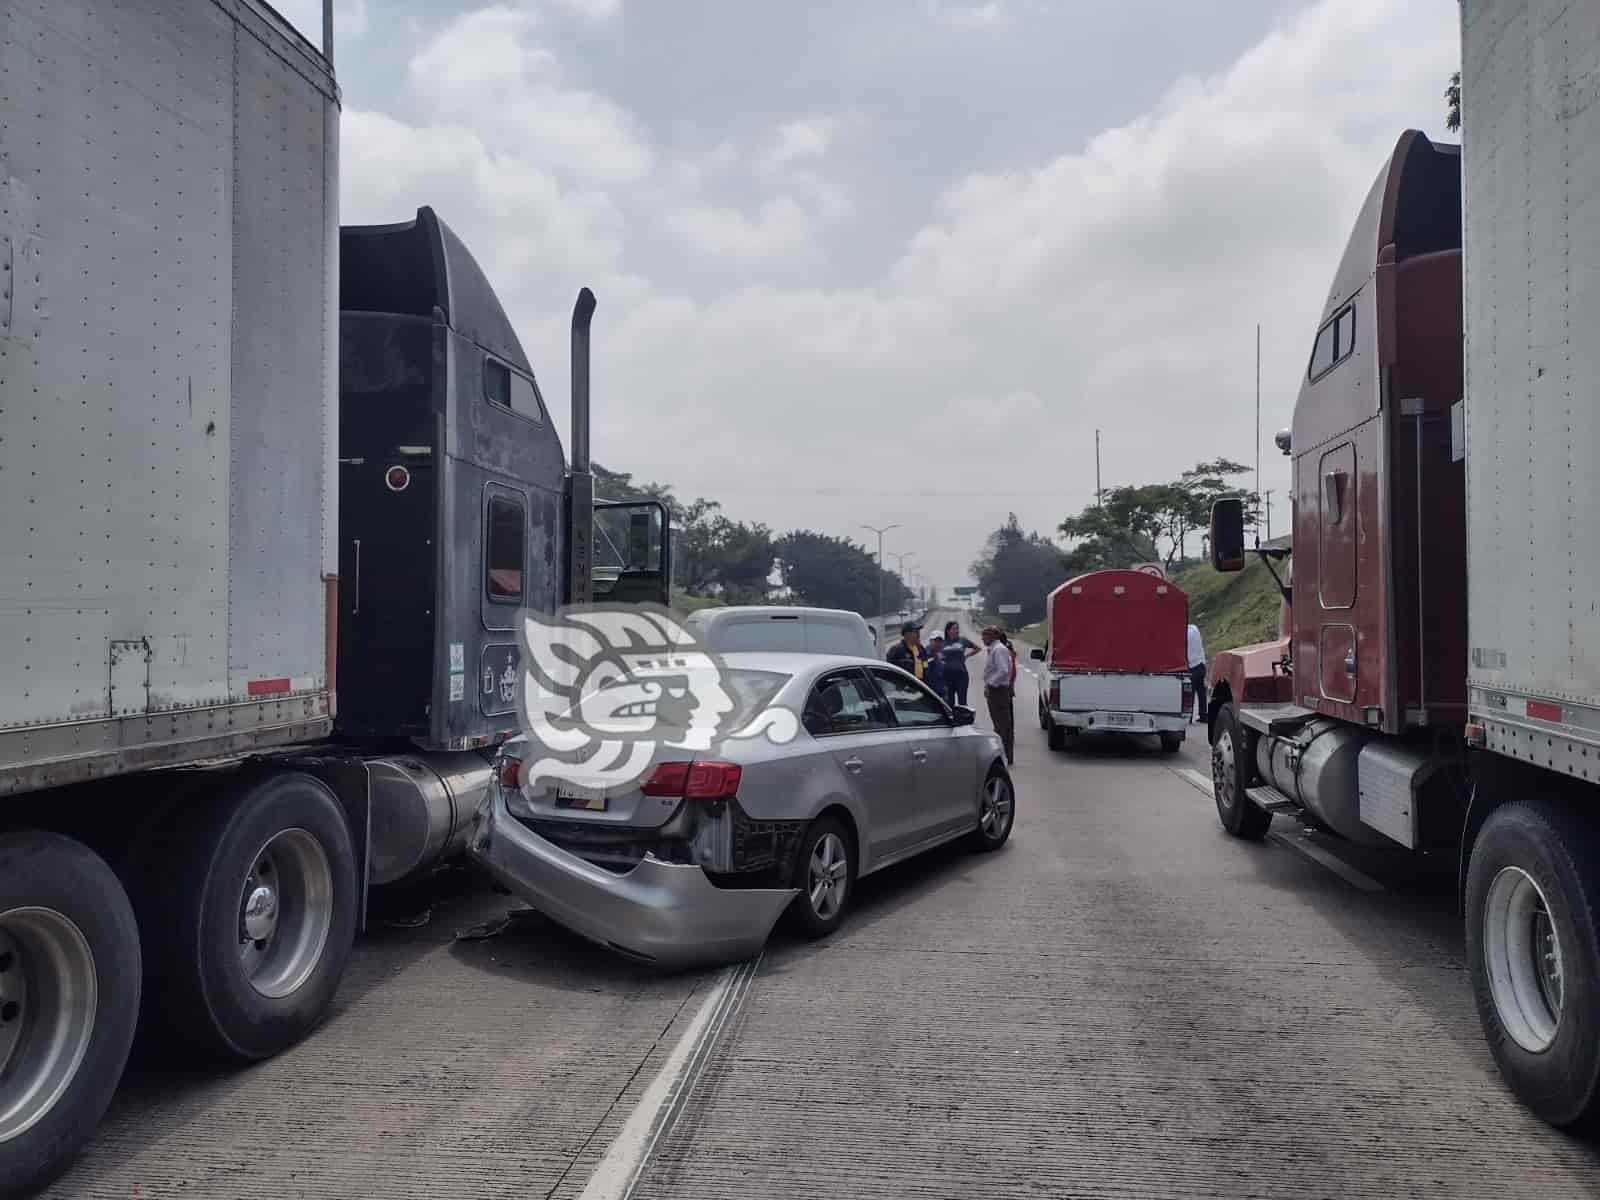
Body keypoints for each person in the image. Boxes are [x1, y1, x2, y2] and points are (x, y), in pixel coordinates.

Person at [980, 625, 1015, 765]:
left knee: (1002, 725)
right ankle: (1004, 755)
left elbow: (1003, 671)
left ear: (992, 636)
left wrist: (990, 684)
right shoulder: (994, 649)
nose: (982, 638)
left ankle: (1005, 756)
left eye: (985, 635)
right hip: (997, 690)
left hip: (998, 691)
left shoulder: (998, 650)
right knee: (999, 724)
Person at [937, 620, 981, 707]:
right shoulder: (942, 642)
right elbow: (934, 652)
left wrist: (966, 656)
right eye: (953, 629)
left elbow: (978, 648)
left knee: (962, 703)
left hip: (961, 676)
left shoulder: (963, 640)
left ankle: (964, 720)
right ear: (948, 631)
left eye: (957, 629)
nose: (956, 631)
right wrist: (939, 658)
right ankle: (951, 720)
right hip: (946, 676)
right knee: (949, 703)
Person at [1187, 622, 1207, 723]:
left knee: (1190, 692)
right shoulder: (1195, 628)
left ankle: (1189, 717)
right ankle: (1203, 715)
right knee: (1201, 691)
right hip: (1201, 664)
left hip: (1192, 666)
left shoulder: (1184, 634)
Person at [924, 633, 948, 699]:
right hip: (931, 694)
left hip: (941, 693)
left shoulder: (941, 655)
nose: (938, 644)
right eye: (936, 641)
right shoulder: (926, 655)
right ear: (930, 641)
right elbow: (925, 674)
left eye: (940, 641)